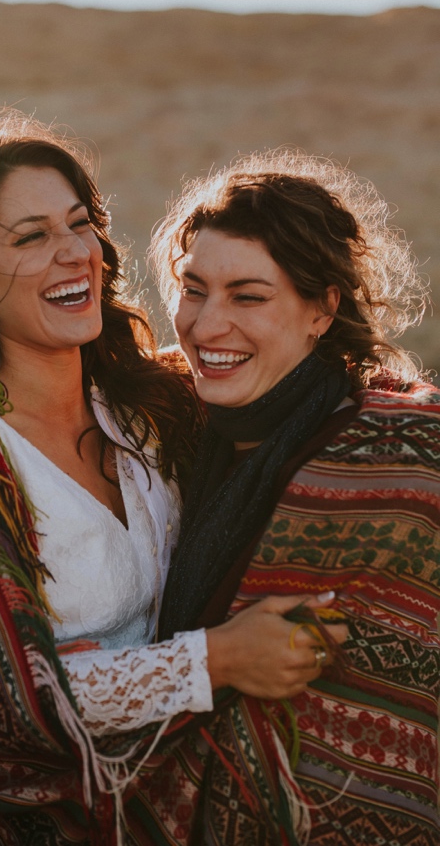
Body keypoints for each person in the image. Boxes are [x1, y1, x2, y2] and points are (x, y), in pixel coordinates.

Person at [0, 111, 336, 844]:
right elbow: (7, 700)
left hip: (184, 768)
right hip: (44, 817)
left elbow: (279, 392)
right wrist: (218, 658)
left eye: (80, 223)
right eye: (31, 237)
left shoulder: (144, 403)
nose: (72, 254)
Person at [129, 151, 434, 845]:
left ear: (322, 308)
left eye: (248, 295)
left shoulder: (397, 462)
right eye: (193, 287)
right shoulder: (162, 427)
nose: (206, 326)